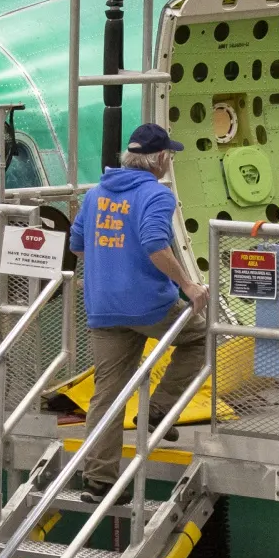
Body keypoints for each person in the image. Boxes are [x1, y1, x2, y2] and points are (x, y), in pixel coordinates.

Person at [67, 122, 209, 495]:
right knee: (203, 339)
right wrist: (189, 285)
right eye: (170, 156)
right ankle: (161, 408)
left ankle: (99, 479)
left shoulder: (96, 193)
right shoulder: (156, 195)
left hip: (103, 307)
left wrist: (109, 265)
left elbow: (78, 245)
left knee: (107, 392)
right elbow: (155, 245)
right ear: (160, 158)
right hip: (149, 306)